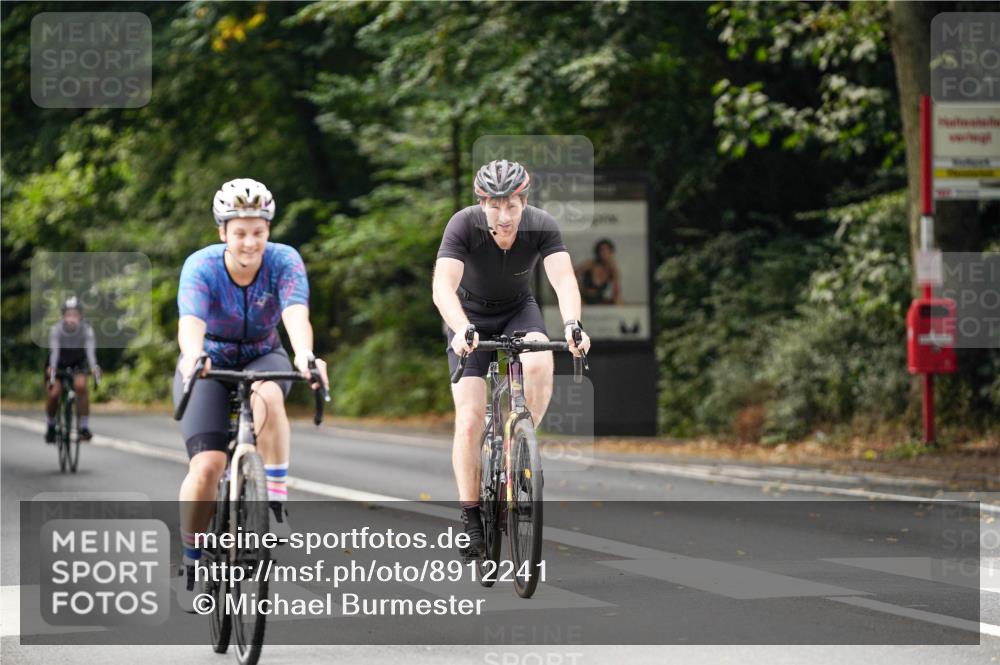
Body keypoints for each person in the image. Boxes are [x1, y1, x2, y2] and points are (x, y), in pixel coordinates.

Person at [173, 178, 329, 609]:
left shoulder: (284, 261)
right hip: (210, 361)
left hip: (264, 354)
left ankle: (273, 501)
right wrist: (193, 355)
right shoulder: (201, 266)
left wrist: (305, 355)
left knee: (269, 394)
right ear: (223, 231)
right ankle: (192, 555)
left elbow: (296, 311)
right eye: (239, 232)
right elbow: (191, 322)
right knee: (206, 467)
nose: (249, 242)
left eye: (258, 232)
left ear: (268, 231)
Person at [432, 159, 592, 560]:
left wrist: (573, 324)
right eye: (494, 206)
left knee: (539, 359)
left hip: (519, 308)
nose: (503, 217)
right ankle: (471, 519)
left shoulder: (541, 224)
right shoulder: (463, 224)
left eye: (512, 207)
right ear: (482, 202)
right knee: (469, 419)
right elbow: (442, 287)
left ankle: (520, 443)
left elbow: (563, 279)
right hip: (468, 315)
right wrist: (461, 329)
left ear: (524, 202)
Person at [45, 296, 101, 443]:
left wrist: (94, 367)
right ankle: (51, 425)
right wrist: (52, 369)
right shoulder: (56, 330)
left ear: (80, 316)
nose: (71, 319)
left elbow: (90, 352)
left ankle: (84, 427)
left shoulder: (87, 330)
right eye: (68, 315)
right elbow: (54, 352)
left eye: (75, 315)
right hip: (58, 363)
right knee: (54, 393)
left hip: (78, 363)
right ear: (63, 316)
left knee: (81, 387)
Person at [576, 238, 623, 305]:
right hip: (583, 298)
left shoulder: (612, 269)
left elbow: (616, 291)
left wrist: (615, 272)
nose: (604, 253)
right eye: (602, 250)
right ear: (598, 252)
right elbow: (571, 274)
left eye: (607, 251)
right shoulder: (590, 264)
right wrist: (579, 290)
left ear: (611, 252)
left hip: (599, 298)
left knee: (619, 301)